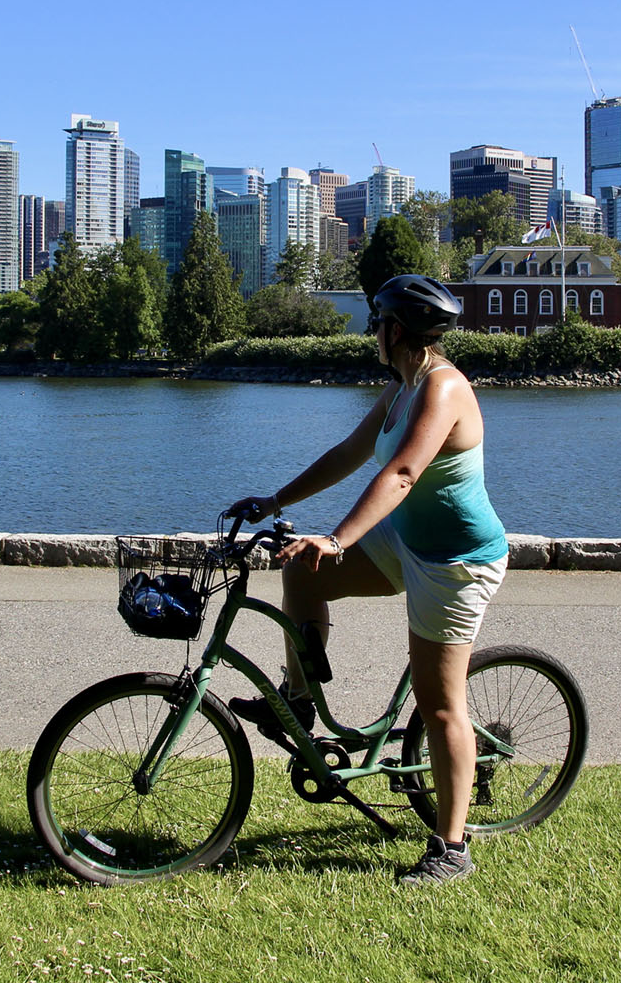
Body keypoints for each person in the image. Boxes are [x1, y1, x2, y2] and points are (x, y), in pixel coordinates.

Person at [230, 273, 508, 886]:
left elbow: (404, 472)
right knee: (303, 575)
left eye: (376, 322)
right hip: (405, 539)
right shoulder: (402, 386)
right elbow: (351, 452)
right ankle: (298, 703)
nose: (370, 333)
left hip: (455, 562)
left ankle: (451, 847)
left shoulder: (443, 388)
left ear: (397, 330)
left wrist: (336, 539)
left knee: (439, 708)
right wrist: (274, 501)